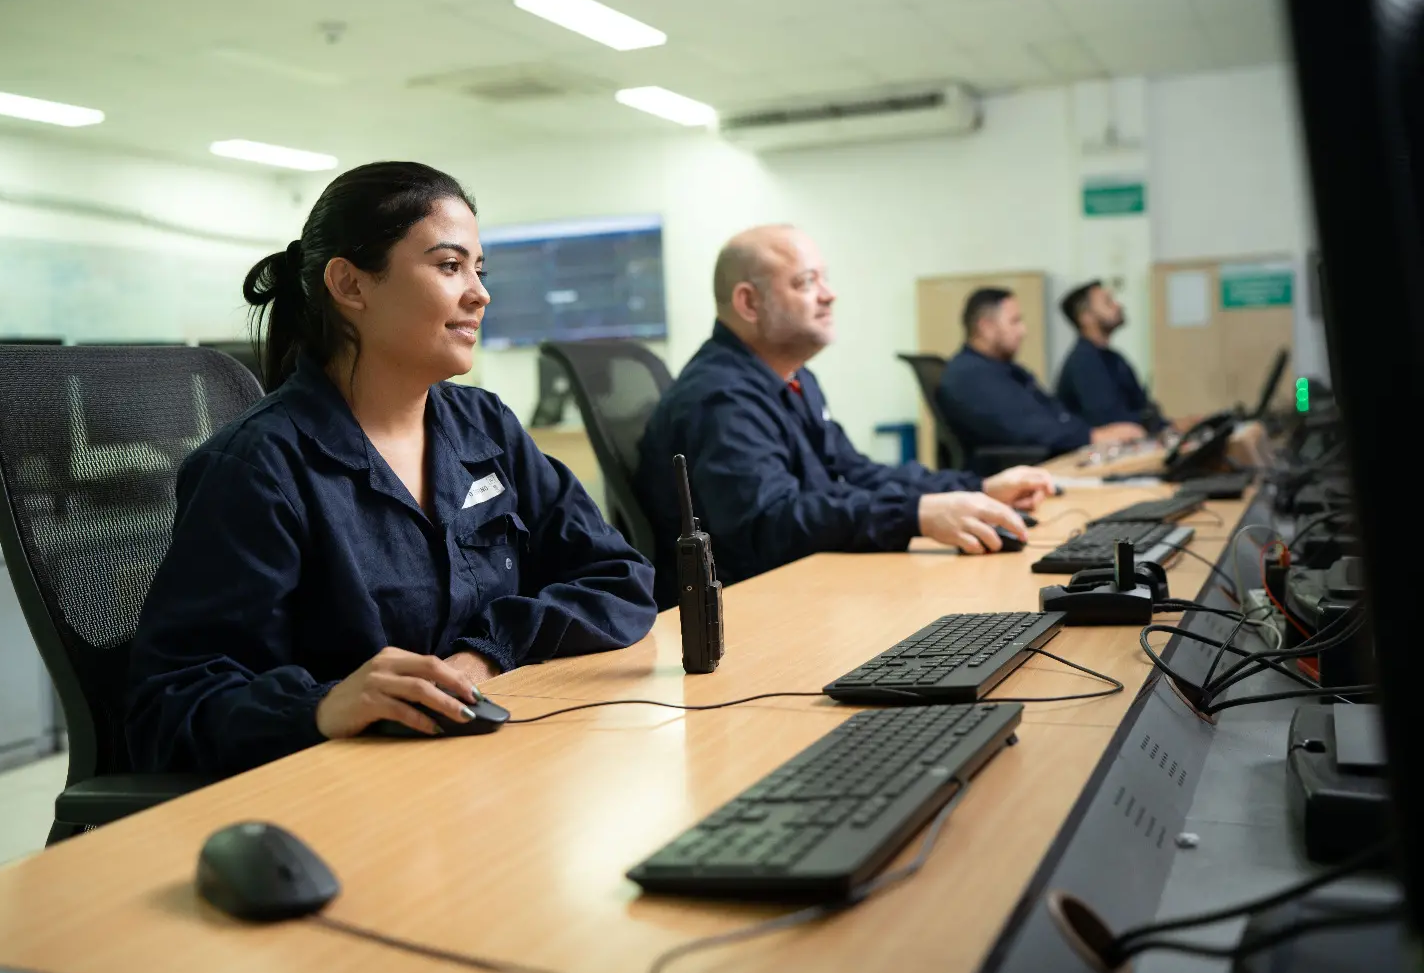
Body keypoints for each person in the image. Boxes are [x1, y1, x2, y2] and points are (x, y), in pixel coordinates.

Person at [125, 162, 656, 775]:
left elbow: (620, 578)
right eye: (449, 266)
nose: (480, 294)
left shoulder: (485, 428)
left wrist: (486, 653)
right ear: (350, 286)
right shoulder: (256, 468)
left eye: (478, 271)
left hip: (483, 767)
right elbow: (169, 709)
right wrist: (322, 706)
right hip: (343, 794)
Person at [633, 225, 1054, 609]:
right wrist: (916, 515)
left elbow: (854, 472)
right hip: (751, 616)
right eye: (806, 282)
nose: (829, 294)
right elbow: (770, 524)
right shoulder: (719, 397)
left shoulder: (795, 381)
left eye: (824, 278)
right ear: (748, 302)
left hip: (801, 593)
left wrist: (973, 490)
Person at [938, 288, 1146, 459]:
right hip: (1025, 476)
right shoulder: (970, 376)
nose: (1023, 331)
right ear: (986, 327)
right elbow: (1030, 430)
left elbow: (1053, 416)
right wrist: (1093, 436)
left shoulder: (1002, 370)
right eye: (1015, 321)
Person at [1055, 280, 1165, 430]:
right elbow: (1110, 422)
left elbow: (1141, 407)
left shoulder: (1115, 359)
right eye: (1108, 302)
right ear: (1086, 317)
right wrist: (1148, 418)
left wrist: (1169, 425)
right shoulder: (1083, 363)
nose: (1118, 305)